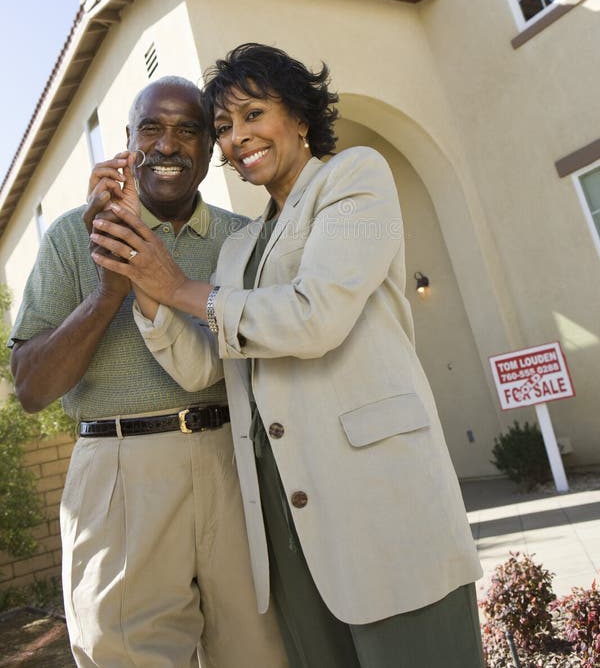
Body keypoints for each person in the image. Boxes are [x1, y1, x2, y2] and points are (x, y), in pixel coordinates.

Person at [89, 44, 486, 668]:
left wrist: (181, 288)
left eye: (252, 114)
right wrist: (141, 269)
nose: (236, 137)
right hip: (283, 522)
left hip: (383, 507)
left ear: (300, 116)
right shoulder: (238, 250)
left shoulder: (356, 179)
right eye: (223, 127)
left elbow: (317, 314)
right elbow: (204, 370)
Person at [9, 75, 289, 668]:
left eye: (188, 130)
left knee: (263, 653)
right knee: (128, 657)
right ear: (128, 143)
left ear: (210, 152)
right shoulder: (69, 237)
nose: (168, 144)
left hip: (234, 466)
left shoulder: (244, 241)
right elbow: (31, 388)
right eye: (152, 128)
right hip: (118, 475)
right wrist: (108, 290)